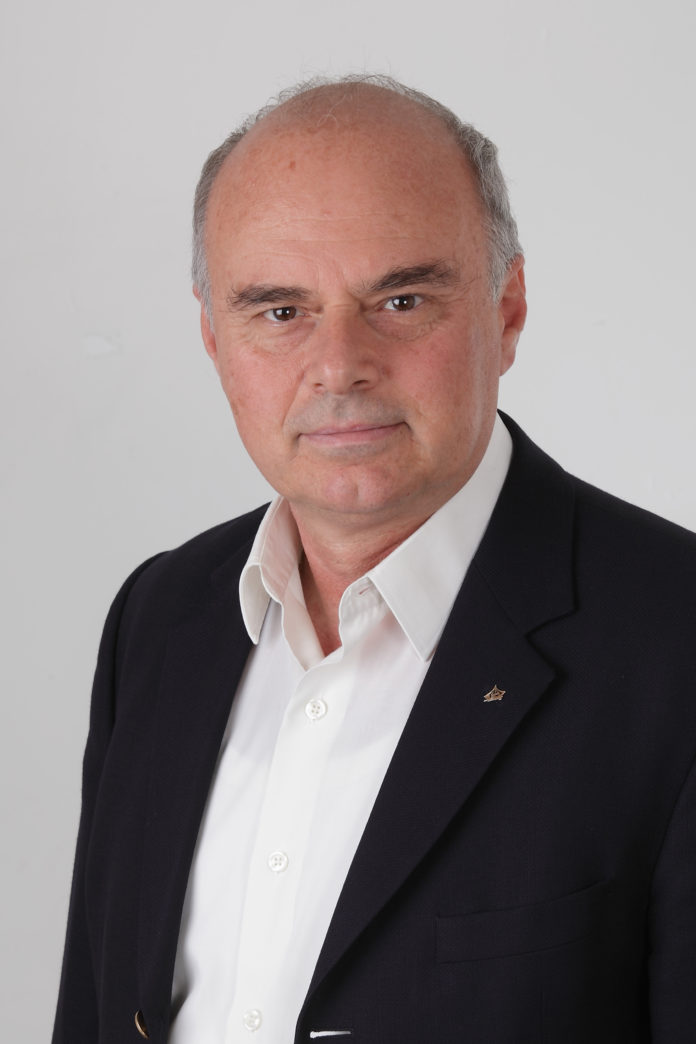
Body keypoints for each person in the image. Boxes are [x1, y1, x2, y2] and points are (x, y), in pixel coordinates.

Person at [52, 75, 696, 1044]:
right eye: (280, 311)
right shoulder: (158, 619)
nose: (339, 364)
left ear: (507, 309)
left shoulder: (673, 644)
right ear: (213, 337)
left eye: (400, 299)